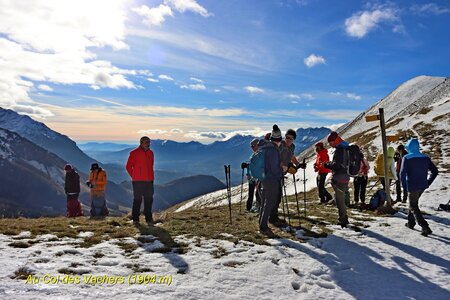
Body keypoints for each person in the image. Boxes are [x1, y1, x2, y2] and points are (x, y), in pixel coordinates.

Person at [401, 138, 438, 236]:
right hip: (422, 185)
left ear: (408, 147)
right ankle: (411, 223)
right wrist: (428, 182)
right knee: (413, 203)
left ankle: (425, 226)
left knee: (413, 206)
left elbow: (402, 173)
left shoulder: (406, 158)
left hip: (412, 185)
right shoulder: (425, 157)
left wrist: (404, 186)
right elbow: (435, 171)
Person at [259, 125, 283, 236]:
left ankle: (261, 223)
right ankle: (264, 227)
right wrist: (281, 171)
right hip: (271, 179)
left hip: (263, 178)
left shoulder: (264, 147)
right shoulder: (273, 150)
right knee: (269, 203)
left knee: (264, 201)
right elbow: (274, 168)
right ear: (277, 140)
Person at [126, 136, 155, 226]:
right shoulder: (134, 153)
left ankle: (149, 219)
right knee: (137, 200)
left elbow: (151, 166)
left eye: (149, 142)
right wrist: (135, 176)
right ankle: (135, 219)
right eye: (146, 142)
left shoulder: (151, 153)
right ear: (141, 143)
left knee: (148, 200)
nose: (148, 144)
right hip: (138, 181)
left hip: (149, 181)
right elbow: (128, 166)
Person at [323, 132, 350, 228]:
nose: (330, 144)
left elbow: (337, 165)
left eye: (330, 142)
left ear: (335, 141)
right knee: (341, 198)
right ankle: (344, 217)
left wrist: (326, 164)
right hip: (346, 176)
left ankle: (343, 220)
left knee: (340, 200)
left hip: (339, 177)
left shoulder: (339, 150)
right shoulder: (346, 148)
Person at [246, 138, 261, 212]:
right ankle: (249, 208)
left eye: (253, 146)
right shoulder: (253, 155)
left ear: (257, 145)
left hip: (257, 178)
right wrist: (247, 173)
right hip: (252, 178)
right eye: (251, 146)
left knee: (257, 194)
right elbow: (249, 165)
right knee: (251, 193)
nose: (252, 147)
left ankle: (259, 208)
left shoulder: (260, 154)